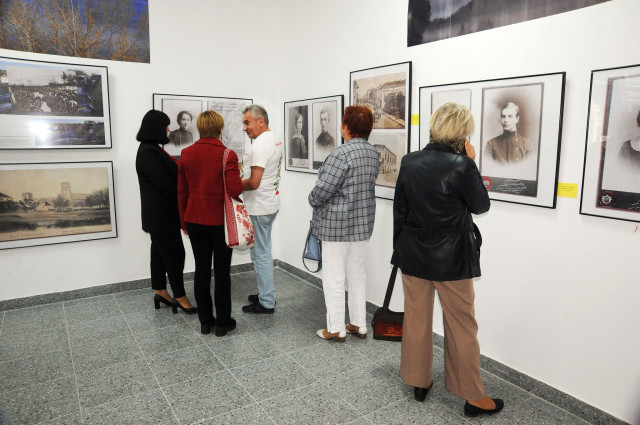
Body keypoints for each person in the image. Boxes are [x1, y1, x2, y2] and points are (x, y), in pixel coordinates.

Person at [392, 102, 503, 417]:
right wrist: (472, 163)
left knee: (416, 320)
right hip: (452, 260)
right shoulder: (462, 165)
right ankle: (472, 396)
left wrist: (399, 252)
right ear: (461, 133)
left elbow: (400, 210)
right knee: (461, 326)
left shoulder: (410, 161)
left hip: (414, 255)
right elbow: (480, 206)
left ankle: (419, 381)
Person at [309, 105, 379, 342]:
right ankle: (359, 324)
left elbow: (323, 190)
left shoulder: (340, 153)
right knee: (357, 275)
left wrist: (312, 199)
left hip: (336, 227)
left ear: (346, 126)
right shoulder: (372, 152)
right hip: (362, 225)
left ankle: (336, 328)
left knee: (334, 277)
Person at [177, 111, 243, 336]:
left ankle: (205, 322)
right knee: (222, 272)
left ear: (199, 128)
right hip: (220, 221)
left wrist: (183, 222)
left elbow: (182, 191)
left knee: (201, 269)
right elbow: (235, 189)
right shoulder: (227, 155)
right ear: (220, 128)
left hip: (194, 218)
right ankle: (223, 323)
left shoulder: (186, 153)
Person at [135, 109, 197, 316]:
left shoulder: (151, 149)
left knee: (159, 254)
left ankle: (161, 291)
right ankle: (180, 296)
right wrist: (186, 190)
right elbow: (164, 184)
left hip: (160, 215)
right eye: (165, 126)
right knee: (175, 254)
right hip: (161, 216)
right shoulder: (148, 152)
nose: (169, 129)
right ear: (156, 128)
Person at [241, 105, 283, 314]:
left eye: (247, 123)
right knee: (263, 252)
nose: (244, 128)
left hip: (259, 207)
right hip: (269, 204)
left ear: (261, 121)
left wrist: (232, 185)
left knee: (260, 255)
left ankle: (266, 301)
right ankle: (266, 293)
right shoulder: (274, 138)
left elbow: (254, 182)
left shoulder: (260, 145)